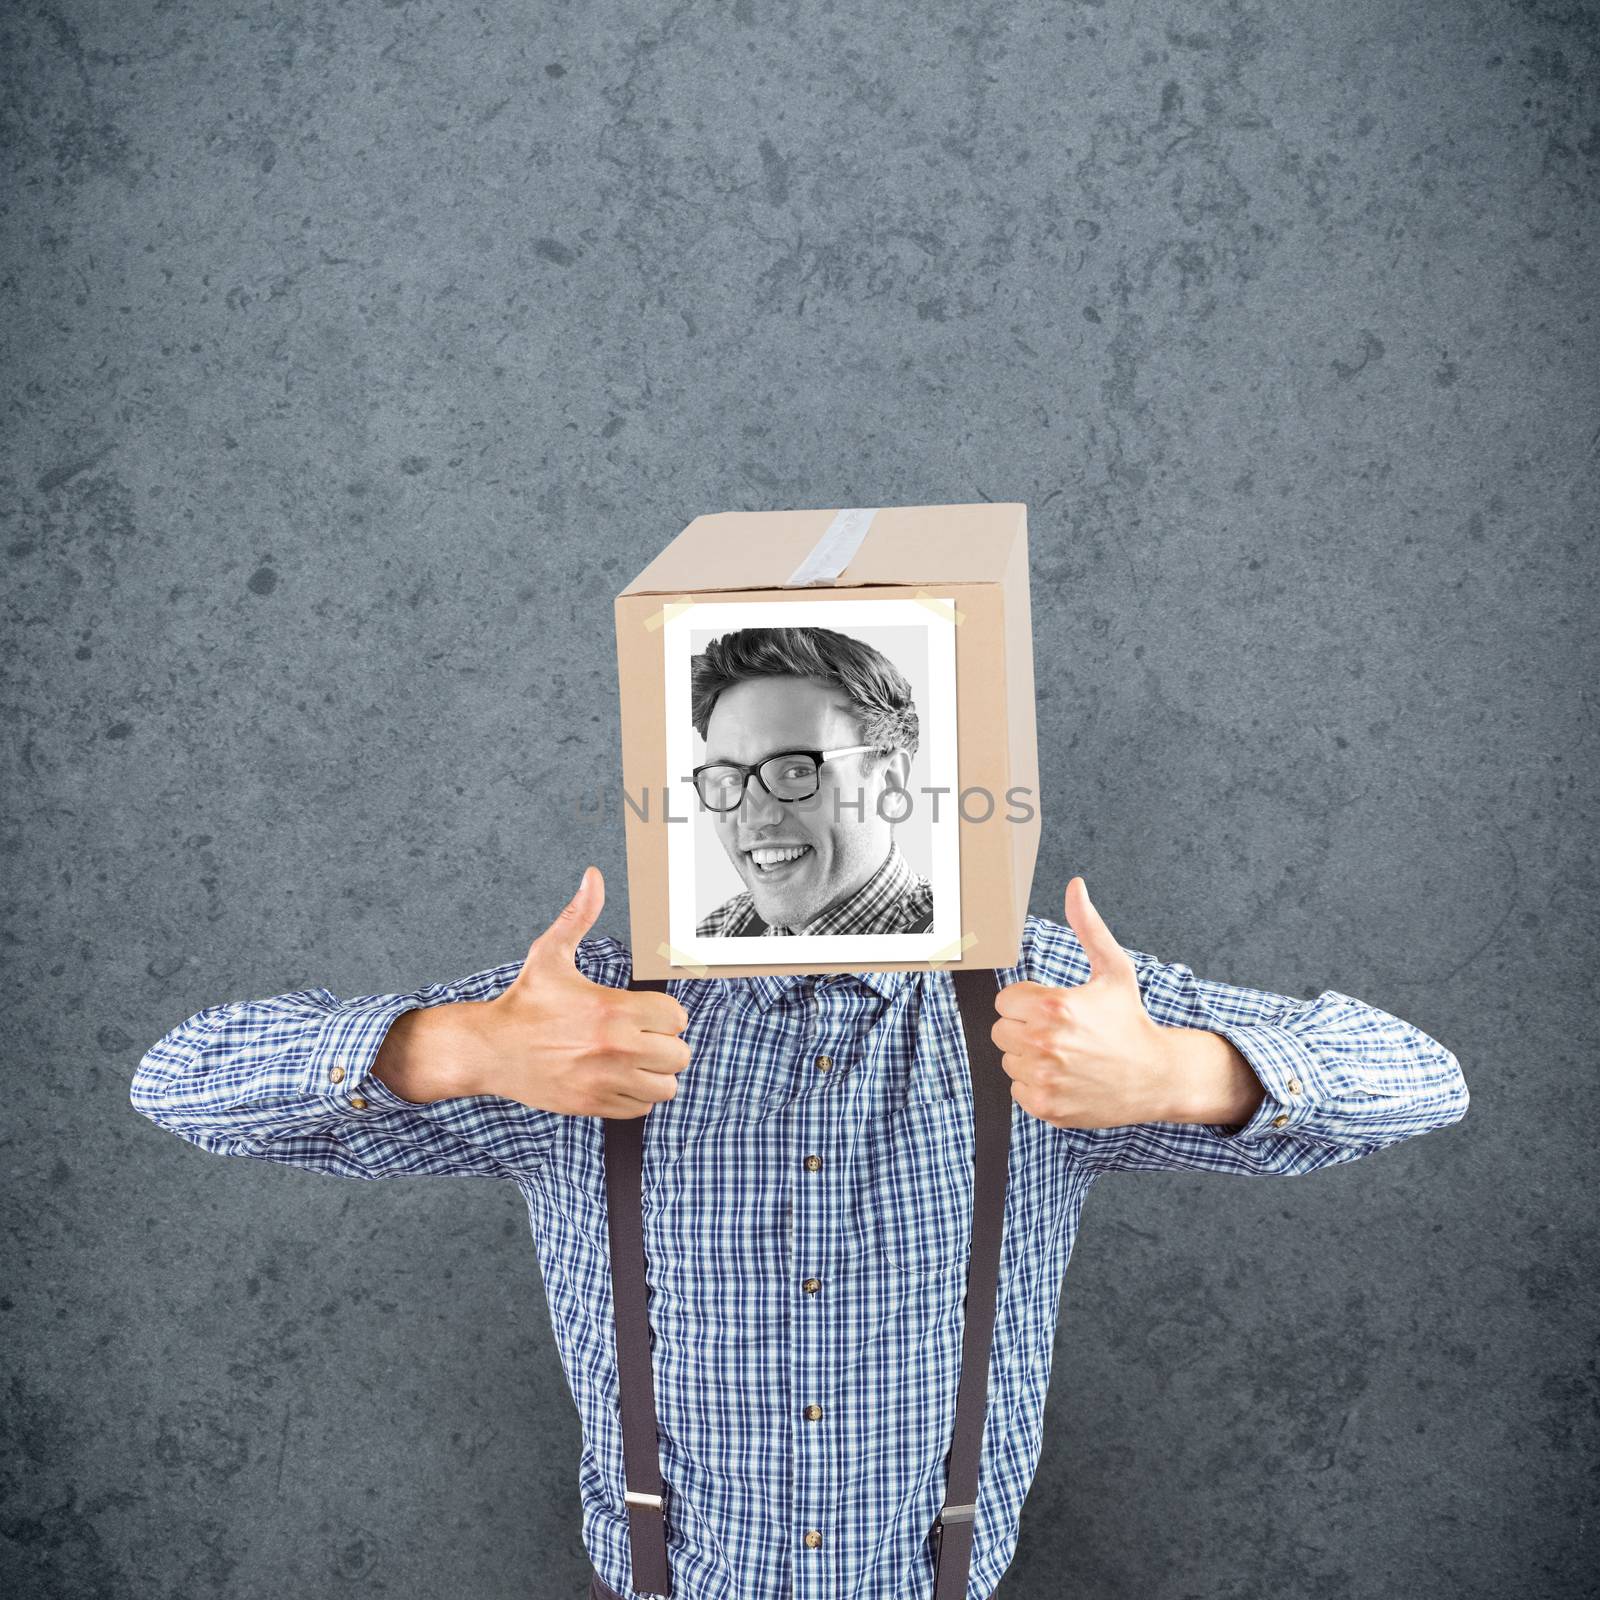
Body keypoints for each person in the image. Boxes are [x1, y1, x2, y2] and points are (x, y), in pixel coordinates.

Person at [131, 866, 1468, 1600]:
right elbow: (180, 1079)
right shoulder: (576, 1023)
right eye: (757, 765)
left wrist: (1187, 1074)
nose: (802, 811)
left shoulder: (1051, 1011)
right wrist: (462, 1046)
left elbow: (1420, 1075)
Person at [690, 625, 934, 938]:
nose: (752, 818)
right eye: (728, 778)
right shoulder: (718, 933)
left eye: (796, 771)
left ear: (890, 782)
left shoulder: (979, 949)